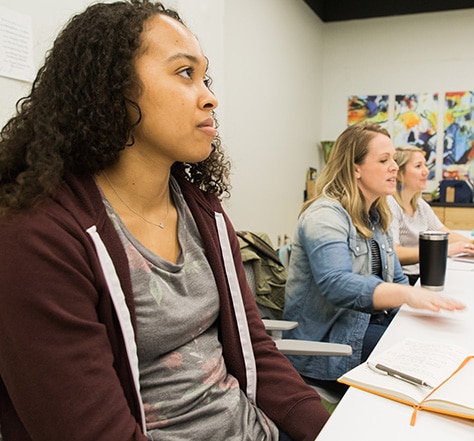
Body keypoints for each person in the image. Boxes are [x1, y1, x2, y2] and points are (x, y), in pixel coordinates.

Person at [0, 2, 328, 440]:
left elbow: (256, 351)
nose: (210, 97)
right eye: (183, 73)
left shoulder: (202, 212)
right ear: (112, 89)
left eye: (205, 77)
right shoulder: (38, 237)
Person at [282, 123, 465, 396]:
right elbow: (337, 284)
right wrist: (407, 295)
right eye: (384, 160)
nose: (394, 167)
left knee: (447, 345)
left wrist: (424, 299)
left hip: (368, 326)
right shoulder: (325, 215)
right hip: (332, 345)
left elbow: (397, 277)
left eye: (393, 158)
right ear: (355, 168)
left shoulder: (376, 216)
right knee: (431, 372)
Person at [388, 146, 474, 285]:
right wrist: (443, 251)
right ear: (399, 173)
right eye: (418, 166)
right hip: (404, 280)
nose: (426, 171)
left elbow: (443, 233)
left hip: (421, 274)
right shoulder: (390, 204)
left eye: (425, 165)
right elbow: (394, 253)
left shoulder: (419, 204)